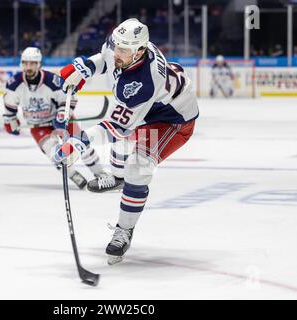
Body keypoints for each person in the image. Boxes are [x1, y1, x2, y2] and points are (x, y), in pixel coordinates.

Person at [54, 18, 199, 264]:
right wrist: (84, 69)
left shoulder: (144, 81)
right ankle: (118, 178)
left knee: (138, 168)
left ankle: (124, 229)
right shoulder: (122, 44)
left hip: (171, 121)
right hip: (147, 110)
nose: (117, 52)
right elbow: (105, 58)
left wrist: (78, 142)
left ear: (140, 51)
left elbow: (117, 127)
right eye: (117, 46)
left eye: (124, 50)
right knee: (122, 146)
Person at [2, 47, 109, 189]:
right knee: (55, 154)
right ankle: (73, 175)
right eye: (26, 63)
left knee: (82, 145)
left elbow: (70, 99)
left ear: (39, 64)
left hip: (62, 120)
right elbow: (10, 106)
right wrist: (10, 121)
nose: (29, 67)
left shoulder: (52, 80)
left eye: (32, 63)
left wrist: (60, 115)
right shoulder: (14, 84)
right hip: (38, 125)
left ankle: (101, 174)